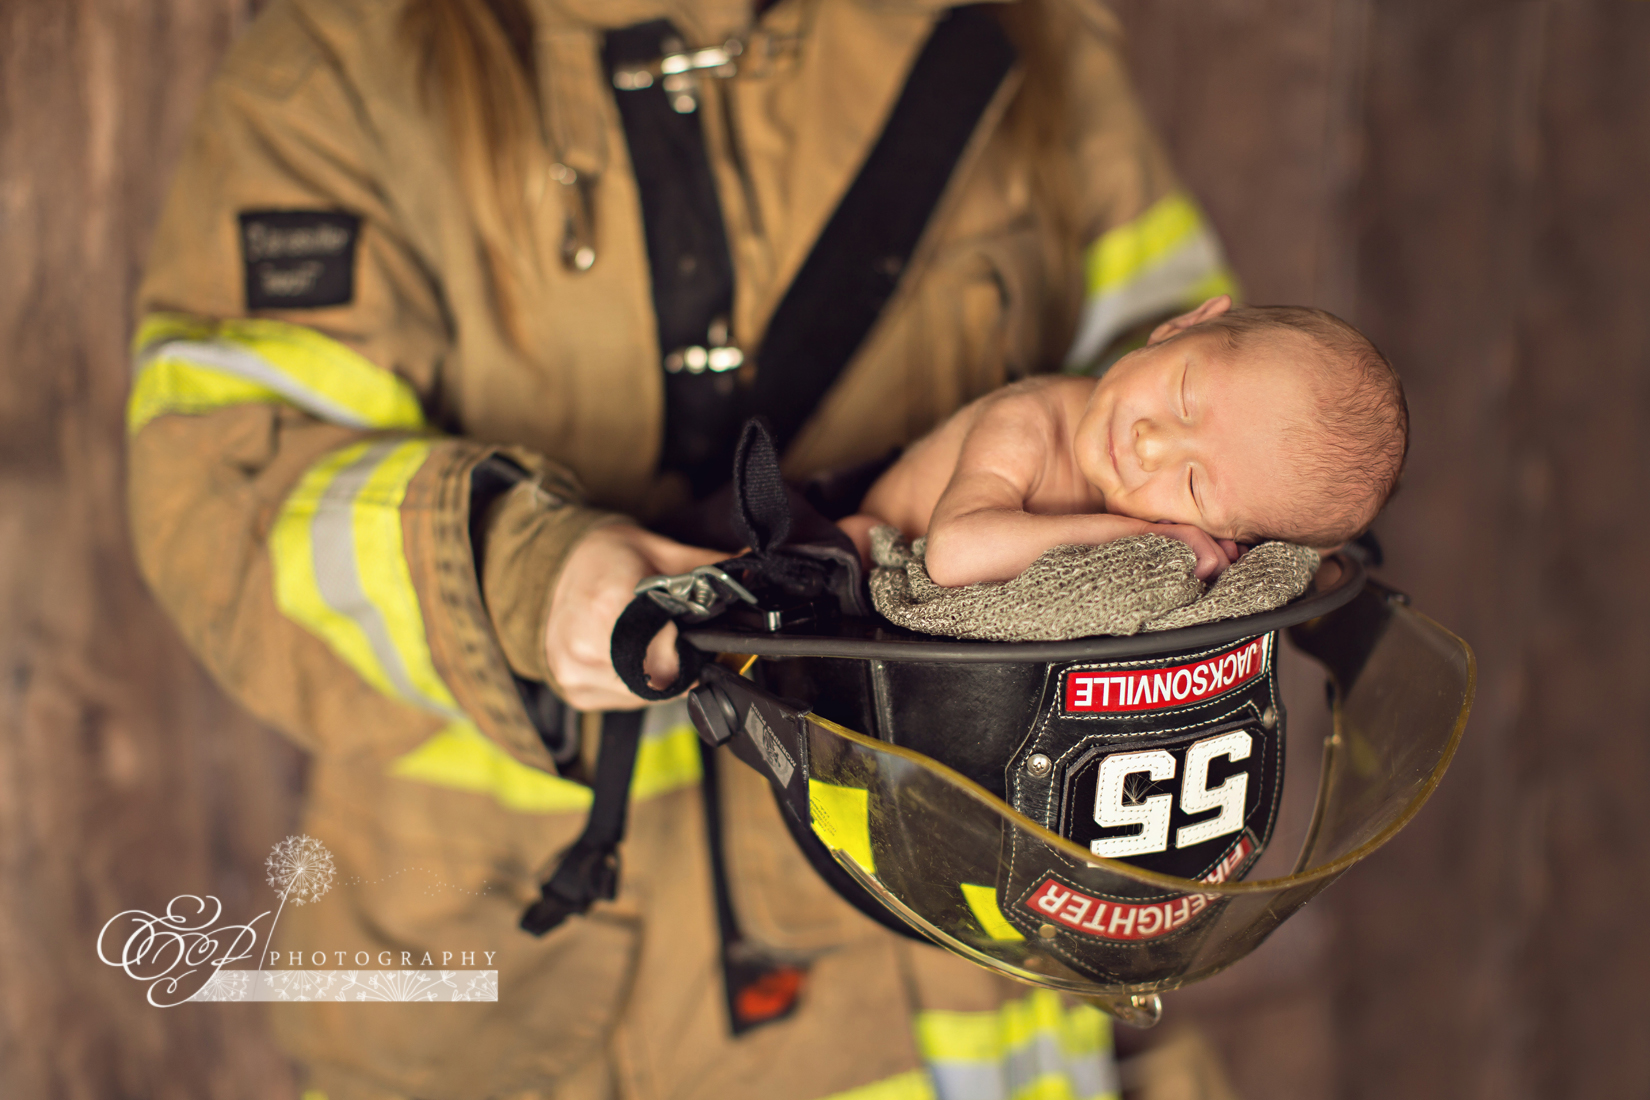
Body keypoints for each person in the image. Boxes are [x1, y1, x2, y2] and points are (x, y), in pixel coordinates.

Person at [127, 0, 1242, 1096]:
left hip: (955, 955)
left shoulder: (1022, 28)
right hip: (536, 986)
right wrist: (527, 575)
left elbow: (1200, 397)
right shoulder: (336, 67)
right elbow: (232, 481)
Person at [843, 295, 1408, 586]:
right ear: (1179, 327)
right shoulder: (1031, 421)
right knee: (852, 540)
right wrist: (1130, 534)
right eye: (1183, 394)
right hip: (879, 536)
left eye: (1193, 486)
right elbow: (950, 555)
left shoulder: (1214, 520)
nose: (1152, 444)